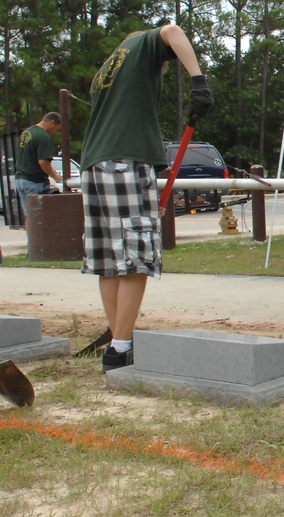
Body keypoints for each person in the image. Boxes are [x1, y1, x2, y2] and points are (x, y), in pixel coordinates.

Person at [80, 25, 213, 373]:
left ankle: (119, 344)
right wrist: (199, 82)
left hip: (94, 164)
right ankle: (120, 347)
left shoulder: (106, 70)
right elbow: (173, 30)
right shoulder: (141, 45)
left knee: (109, 260)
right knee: (136, 255)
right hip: (126, 161)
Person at [14, 112, 62, 215]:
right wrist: (55, 176)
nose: (55, 132)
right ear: (52, 123)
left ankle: (30, 231)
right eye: (56, 129)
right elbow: (43, 162)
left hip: (20, 179)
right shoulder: (43, 136)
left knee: (30, 216)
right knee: (39, 217)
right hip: (34, 181)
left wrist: (53, 171)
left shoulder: (27, 132)